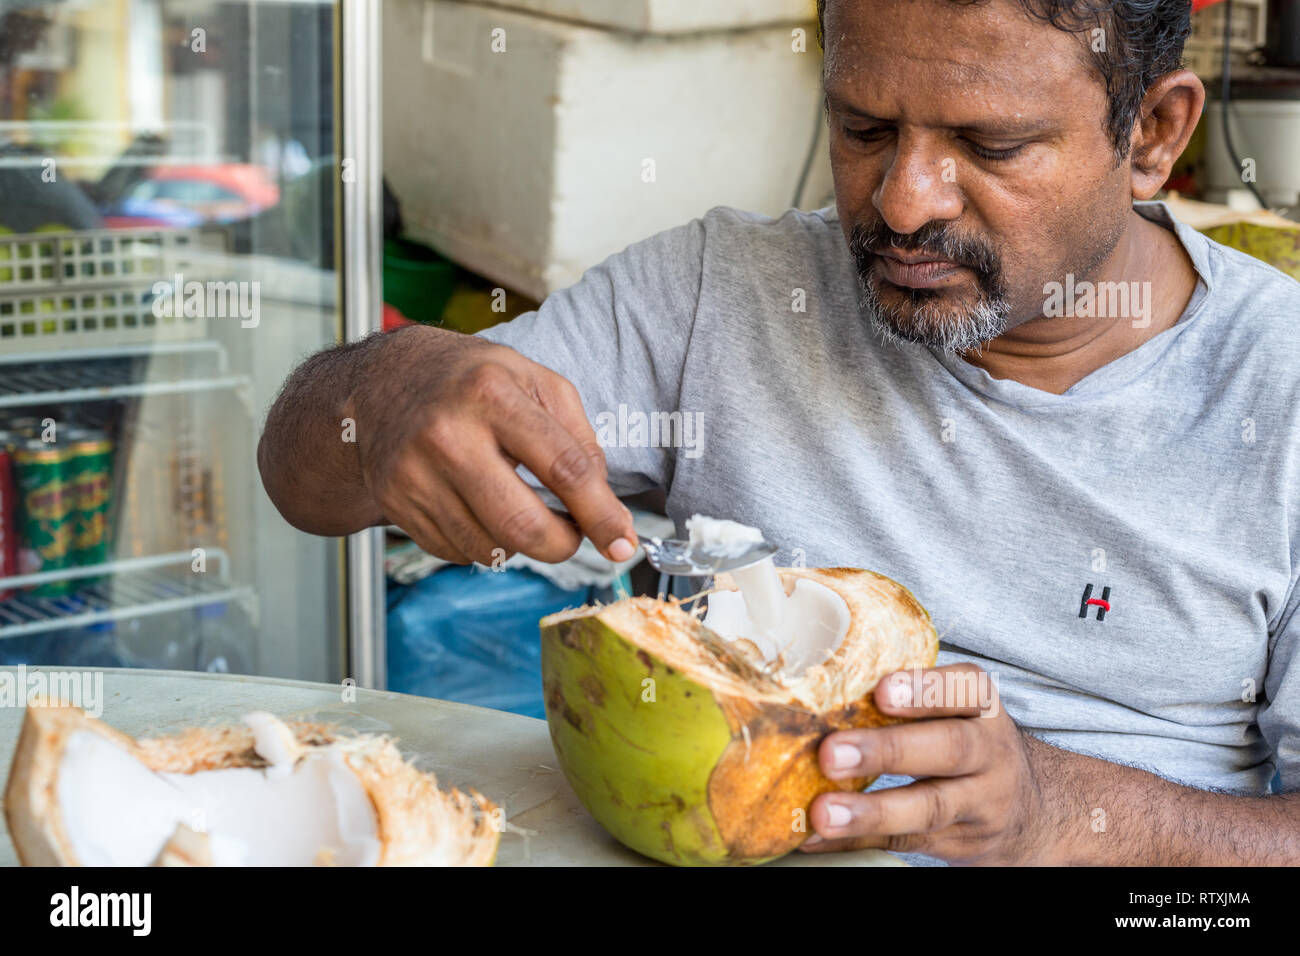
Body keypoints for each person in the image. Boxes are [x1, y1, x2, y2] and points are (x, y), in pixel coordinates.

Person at [259, 0, 1300, 865]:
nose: (901, 203)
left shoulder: (1279, 389)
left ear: (1153, 134)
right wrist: (388, 394)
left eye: (988, 144)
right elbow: (299, 476)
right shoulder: (719, 294)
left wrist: (1057, 808)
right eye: (863, 129)